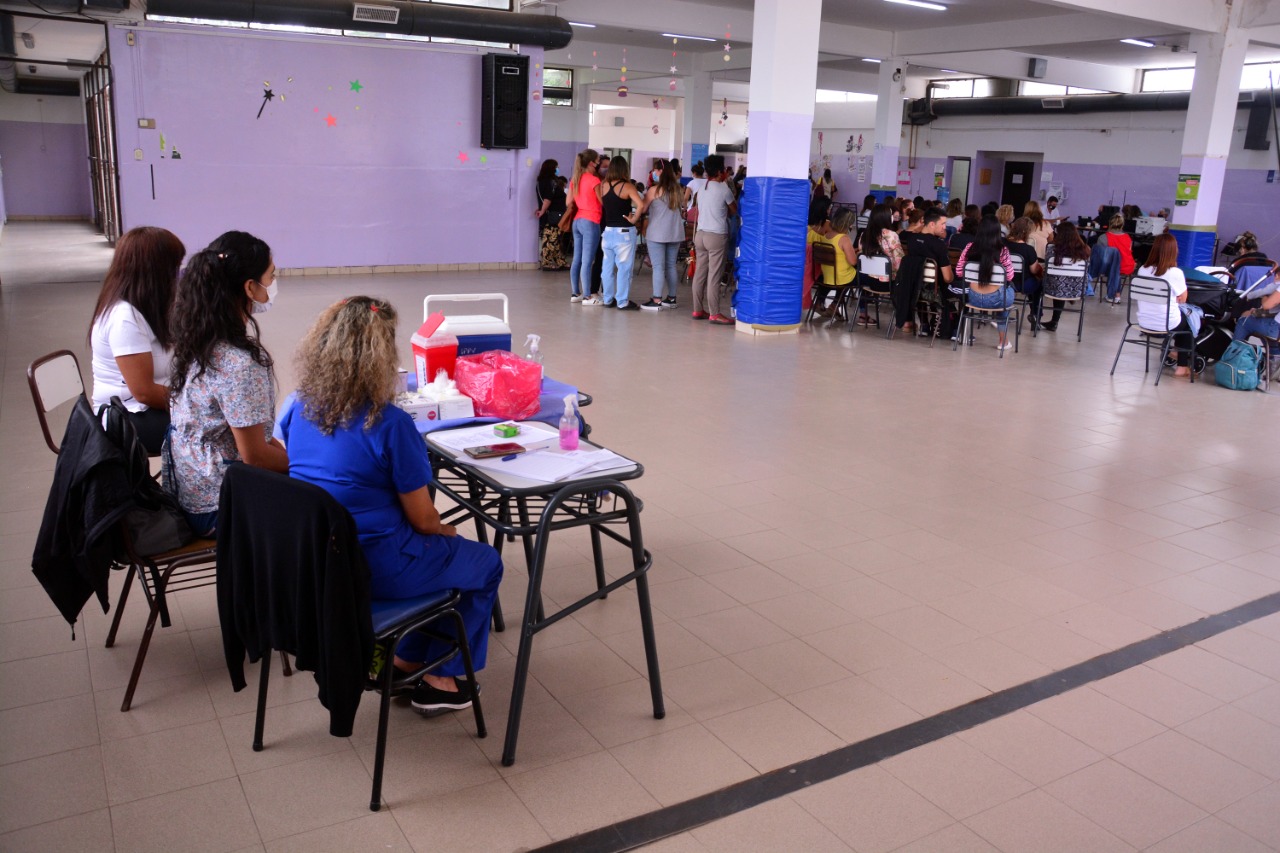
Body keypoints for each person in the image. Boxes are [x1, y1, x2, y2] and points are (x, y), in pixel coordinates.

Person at [280, 296, 502, 714]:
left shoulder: (298, 408)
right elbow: (423, 519)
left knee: (448, 560)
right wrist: (444, 529)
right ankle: (442, 677)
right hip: (380, 567)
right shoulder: (390, 424)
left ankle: (405, 661)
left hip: (321, 565)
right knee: (485, 563)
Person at [165, 231, 289, 536]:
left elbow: (246, 434)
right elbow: (255, 457)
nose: (273, 284)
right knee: (333, 504)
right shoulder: (239, 363)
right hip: (218, 507)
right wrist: (305, 463)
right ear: (250, 287)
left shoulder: (197, 340)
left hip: (190, 489)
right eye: (271, 276)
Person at [89, 226, 185, 455]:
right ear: (157, 272)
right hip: (125, 417)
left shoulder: (144, 309)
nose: (178, 276)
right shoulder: (124, 318)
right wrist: (192, 401)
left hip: (142, 409)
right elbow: (144, 392)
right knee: (212, 429)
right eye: (175, 268)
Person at [1135, 233, 1193, 378]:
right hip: (1166, 324)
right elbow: (1183, 299)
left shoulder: (1143, 269)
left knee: (1181, 320)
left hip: (1144, 322)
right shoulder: (1176, 273)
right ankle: (1182, 366)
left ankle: (1174, 351)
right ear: (1174, 251)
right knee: (1188, 323)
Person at [955, 216, 1017, 350]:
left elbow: (959, 272)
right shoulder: (1003, 250)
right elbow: (1010, 276)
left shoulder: (969, 248)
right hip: (997, 299)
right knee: (1009, 292)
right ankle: (1003, 341)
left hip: (972, 298)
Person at [690, 154, 737, 326]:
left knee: (700, 273)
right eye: (724, 169)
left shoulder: (702, 188)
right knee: (714, 276)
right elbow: (733, 209)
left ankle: (697, 309)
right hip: (716, 236)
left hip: (700, 236)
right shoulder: (724, 189)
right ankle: (715, 313)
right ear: (719, 171)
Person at [894, 208, 954, 336]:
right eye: (943, 224)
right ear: (932, 224)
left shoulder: (911, 240)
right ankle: (954, 328)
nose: (945, 227)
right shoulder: (939, 245)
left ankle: (925, 325)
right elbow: (948, 278)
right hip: (934, 292)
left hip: (913, 289)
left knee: (922, 280)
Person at [597, 155, 645, 311]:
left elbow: (602, 203)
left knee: (607, 268)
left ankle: (607, 299)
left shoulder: (603, 185)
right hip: (624, 233)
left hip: (608, 232)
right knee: (624, 269)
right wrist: (634, 219)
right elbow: (641, 205)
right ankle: (622, 301)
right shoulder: (627, 186)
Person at [640, 160, 686, 310]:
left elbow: (643, 208)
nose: (653, 173)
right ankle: (671, 299)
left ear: (660, 171)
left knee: (658, 267)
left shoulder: (654, 190)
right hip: (675, 232)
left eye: (655, 170)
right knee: (671, 266)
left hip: (657, 233)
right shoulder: (678, 189)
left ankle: (657, 299)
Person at [855, 203, 905, 326]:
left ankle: (862, 314)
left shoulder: (864, 234)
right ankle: (905, 320)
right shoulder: (891, 235)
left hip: (866, 281)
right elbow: (899, 262)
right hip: (886, 284)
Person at [563, 148, 602, 304]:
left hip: (577, 221)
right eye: (598, 161)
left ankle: (575, 293)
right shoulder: (594, 181)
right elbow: (602, 201)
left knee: (577, 259)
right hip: (591, 221)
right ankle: (587, 295)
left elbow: (568, 203)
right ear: (592, 163)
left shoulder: (575, 179)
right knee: (587, 260)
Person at [1041, 222, 1091, 332]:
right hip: (1077, 290)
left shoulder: (1052, 249)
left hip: (1052, 289)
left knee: (1053, 281)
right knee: (1062, 282)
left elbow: (1047, 266)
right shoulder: (1085, 250)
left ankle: (1037, 315)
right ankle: (1054, 321)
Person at [812, 208, 858, 319]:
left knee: (843, 280)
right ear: (848, 224)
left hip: (826, 276)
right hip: (841, 277)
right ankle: (834, 304)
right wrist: (858, 252)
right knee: (857, 277)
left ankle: (822, 301)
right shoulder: (844, 239)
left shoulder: (825, 236)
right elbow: (853, 261)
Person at [1005, 217, 1045, 330]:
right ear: (1026, 232)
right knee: (1038, 283)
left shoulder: (1002, 243)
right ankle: (1036, 315)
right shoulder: (1028, 250)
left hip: (1003, 281)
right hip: (1020, 284)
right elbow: (1034, 270)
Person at [1093, 213, 1136, 303]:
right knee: (1116, 269)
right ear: (1122, 225)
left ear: (1109, 223)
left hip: (1112, 267)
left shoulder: (1103, 238)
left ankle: (1113, 295)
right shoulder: (1128, 237)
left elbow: (1100, 257)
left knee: (1113, 267)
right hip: (1128, 265)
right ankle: (1116, 295)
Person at [534, 159, 568, 271]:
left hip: (554, 213)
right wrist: (542, 211)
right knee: (550, 238)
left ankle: (559, 260)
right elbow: (548, 199)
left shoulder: (543, 181)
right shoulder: (550, 182)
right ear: (551, 168)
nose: (557, 169)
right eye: (556, 167)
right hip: (554, 214)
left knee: (556, 238)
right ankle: (547, 262)